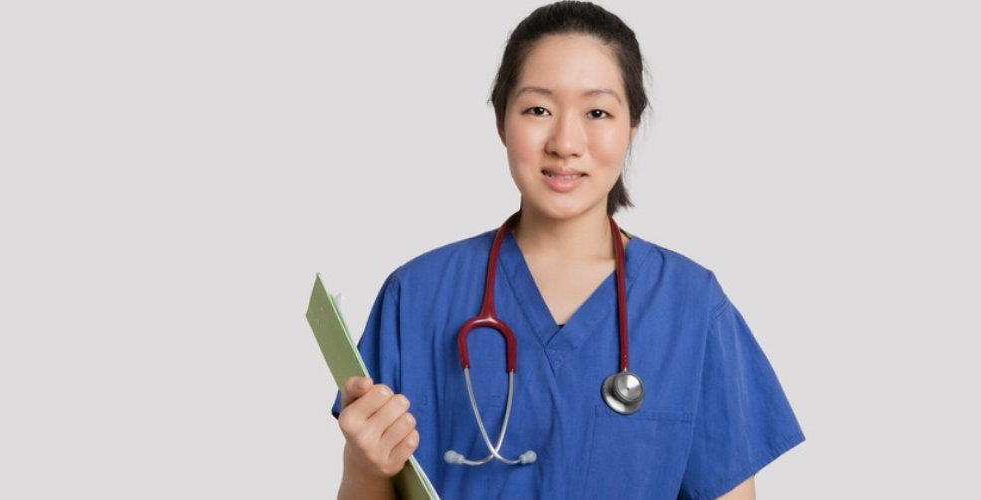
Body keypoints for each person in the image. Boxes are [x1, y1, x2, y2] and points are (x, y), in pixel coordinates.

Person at [331, 2, 803, 498]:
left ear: (631, 128)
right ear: (501, 122)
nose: (565, 141)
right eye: (538, 109)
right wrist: (363, 466)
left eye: (597, 112)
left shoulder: (690, 305)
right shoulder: (418, 296)